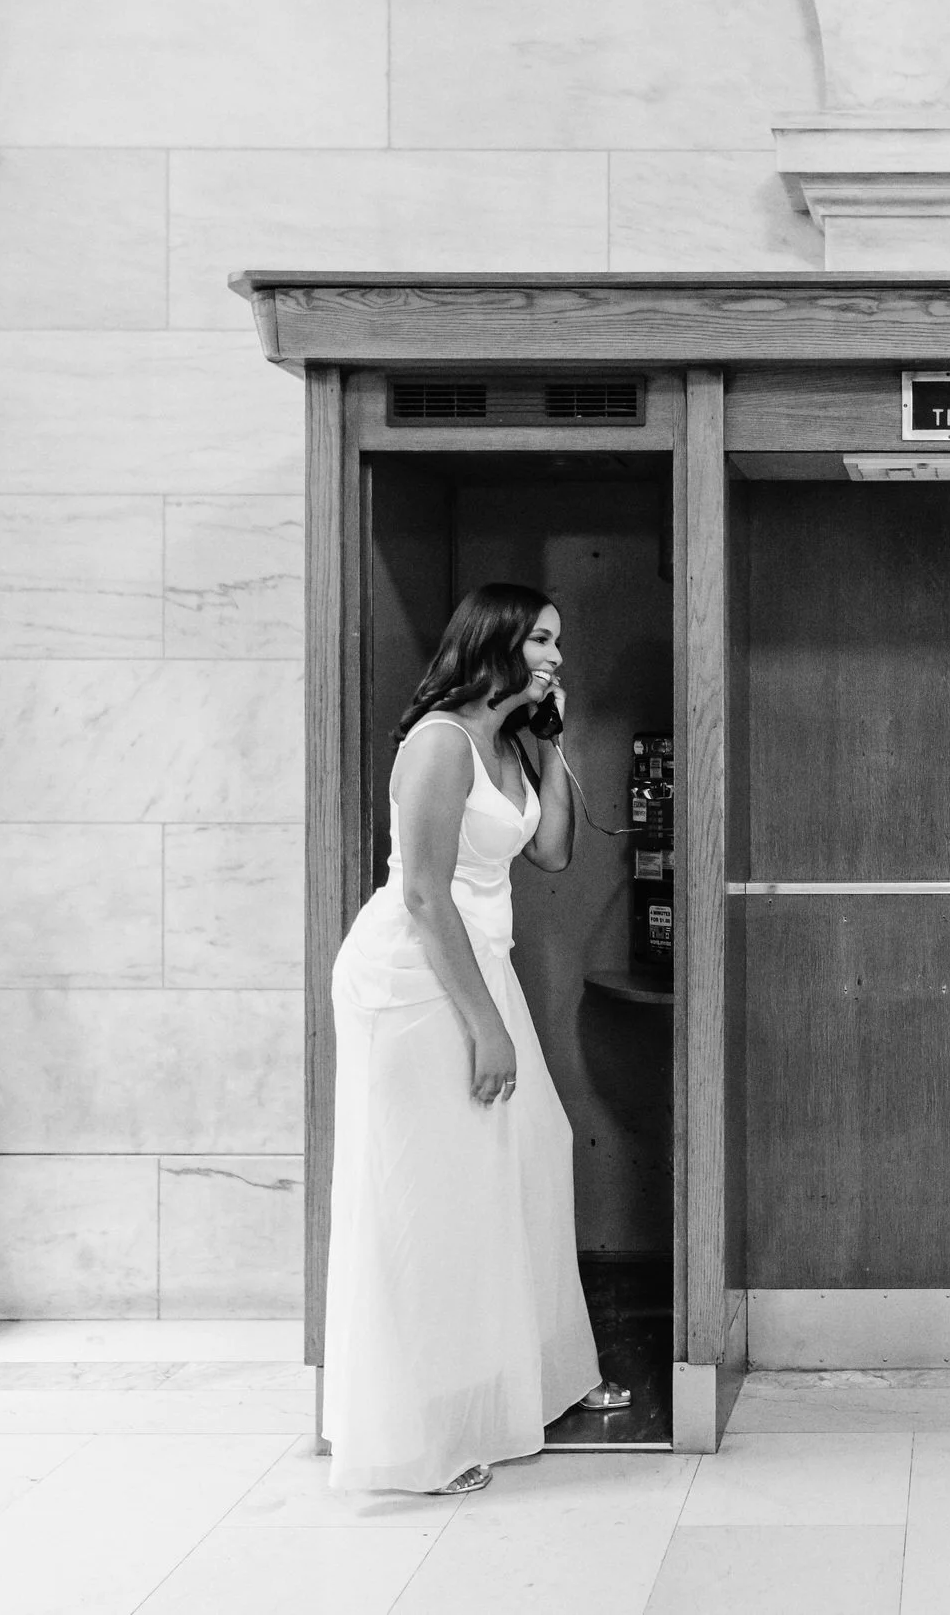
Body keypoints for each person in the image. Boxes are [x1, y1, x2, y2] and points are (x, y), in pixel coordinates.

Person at [323, 582, 630, 1495]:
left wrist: (553, 744)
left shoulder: (505, 743)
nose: (556, 657)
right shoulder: (439, 742)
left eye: (557, 642)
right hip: (416, 980)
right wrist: (487, 1029)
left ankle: (534, 1379)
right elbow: (424, 894)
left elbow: (552, 853)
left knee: (532, 1152)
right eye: (540, 640)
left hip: (479, 966)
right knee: (434, 1195)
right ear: (494, 640)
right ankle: (428, 1433)